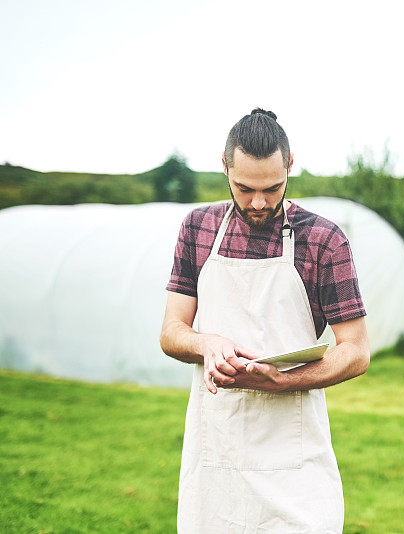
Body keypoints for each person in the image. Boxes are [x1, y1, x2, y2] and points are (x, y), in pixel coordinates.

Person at [159, 108, 370, 533]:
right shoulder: (198, 228)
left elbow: (356, 351)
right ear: (224, 167)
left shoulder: (324, 240)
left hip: (294, 460)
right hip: (215, 458)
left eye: (272, 188)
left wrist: (282, 380)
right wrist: (206, 343)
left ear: (290, 167)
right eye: (244, 188)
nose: (258, 202)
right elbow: (171, 332)